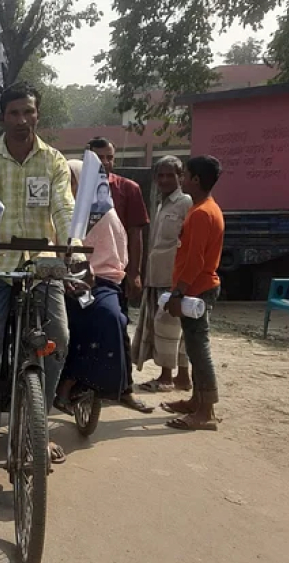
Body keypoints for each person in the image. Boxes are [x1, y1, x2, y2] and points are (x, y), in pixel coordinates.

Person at [0, 81, 78, 480]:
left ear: (37, 114)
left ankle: (37, 426)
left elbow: (64, 207)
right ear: (3, 116)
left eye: (29, 112)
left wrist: (73, 245)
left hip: (42, 267)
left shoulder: (54, 161)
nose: (22, 120)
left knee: (57, 337)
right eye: (14, 113)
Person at [55, 159, 130, 409]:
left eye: (73, 181)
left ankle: (85, 382)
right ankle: (55, 384)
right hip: (61, 281)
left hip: (101, 280)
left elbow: (117, 254)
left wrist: (91, 274)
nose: (68, 186)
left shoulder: (104, 213)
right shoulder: (56, 211)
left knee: (112, 318)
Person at [88, 137, 152, 413]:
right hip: (80, 270)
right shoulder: (75, 187)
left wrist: (134, 273)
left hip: (114, 271)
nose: (105, 162)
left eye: (109, 157)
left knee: (118, 326)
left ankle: (124, 388)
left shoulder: (128, 189)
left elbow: (136, 234)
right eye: (99, 157)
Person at [162, 156, 225, 431]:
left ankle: (206, 411)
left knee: (199, 350)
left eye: (185, 175)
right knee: (194, 346)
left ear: (196, 180)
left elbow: (196, 260)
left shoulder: (202, 213)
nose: (182, 179)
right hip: (198, 287)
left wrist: (179, 292)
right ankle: (197, 400)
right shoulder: (205, 208)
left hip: (197, 289)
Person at [132, 156, 193, 392]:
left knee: (169, 328)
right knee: (166, 329)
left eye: (171, 175)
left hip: (174, 279)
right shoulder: (161, 205)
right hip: (156, 276)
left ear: (181, 177)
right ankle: (179, 377)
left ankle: (169, 377)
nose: (165, 179)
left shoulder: (185, 203)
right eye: (161, 175)